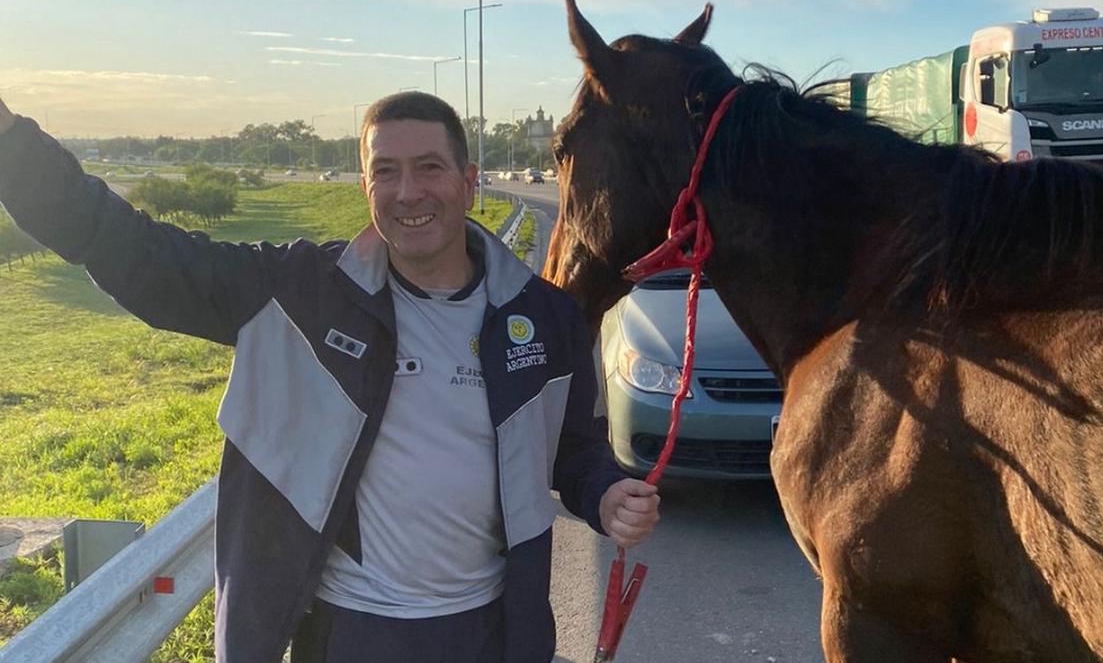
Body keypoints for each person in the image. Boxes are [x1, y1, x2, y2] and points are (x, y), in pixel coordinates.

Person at [0, 92, 660, 662]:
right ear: (365, 185)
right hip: (351, 633)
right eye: (386, 172)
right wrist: (10, 143)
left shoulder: (543, 317)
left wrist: (604, 494)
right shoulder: (296, 291)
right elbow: (131, 248)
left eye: (429, 168)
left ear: (468, 178)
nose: (409, 193)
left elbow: (574, 448)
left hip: (492, 629)